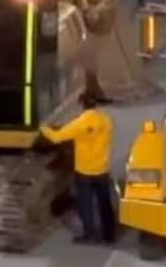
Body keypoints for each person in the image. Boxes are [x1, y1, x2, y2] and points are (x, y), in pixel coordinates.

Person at [40, 92, 116, 244]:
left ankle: (90, 235)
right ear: (96, 105)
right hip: (102, 169)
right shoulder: (106, 121)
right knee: (104, 203)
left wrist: (42, 127)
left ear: (82, 104)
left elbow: (56, 137)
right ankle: (109, 235)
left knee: (85, 204)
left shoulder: (79, 124)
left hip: (85, 171)